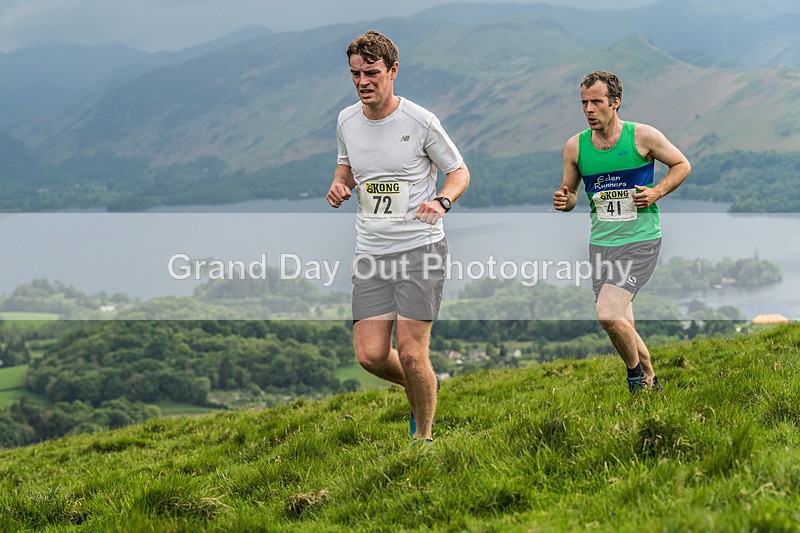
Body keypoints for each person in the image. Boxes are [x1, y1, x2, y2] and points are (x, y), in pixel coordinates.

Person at [326, 30, 470, 440]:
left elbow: (459, 172)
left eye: (371, 73)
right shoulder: (346, 120)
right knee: (370, 356)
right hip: (371, 253)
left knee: (410, 352)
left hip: (420, 249)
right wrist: (341, 184)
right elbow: (347, 166)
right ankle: (427, 384)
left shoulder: (421, 121)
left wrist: (441, 201)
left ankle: (422, 439)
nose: (362, 82)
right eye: (355, 74)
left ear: (393, 71)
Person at [553, 70, 691, 393]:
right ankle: (651, 379)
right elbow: (571, 195)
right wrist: (566, 199)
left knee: (607, 313)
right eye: (584, 102)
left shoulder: (642, 137)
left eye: (596, 102)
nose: (589, 109)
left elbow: (682, 165)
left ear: (615, 103)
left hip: (640, 241)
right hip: (601, 244)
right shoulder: (575, 148)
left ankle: (635, 379)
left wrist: (656, 193)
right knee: (623, 321)